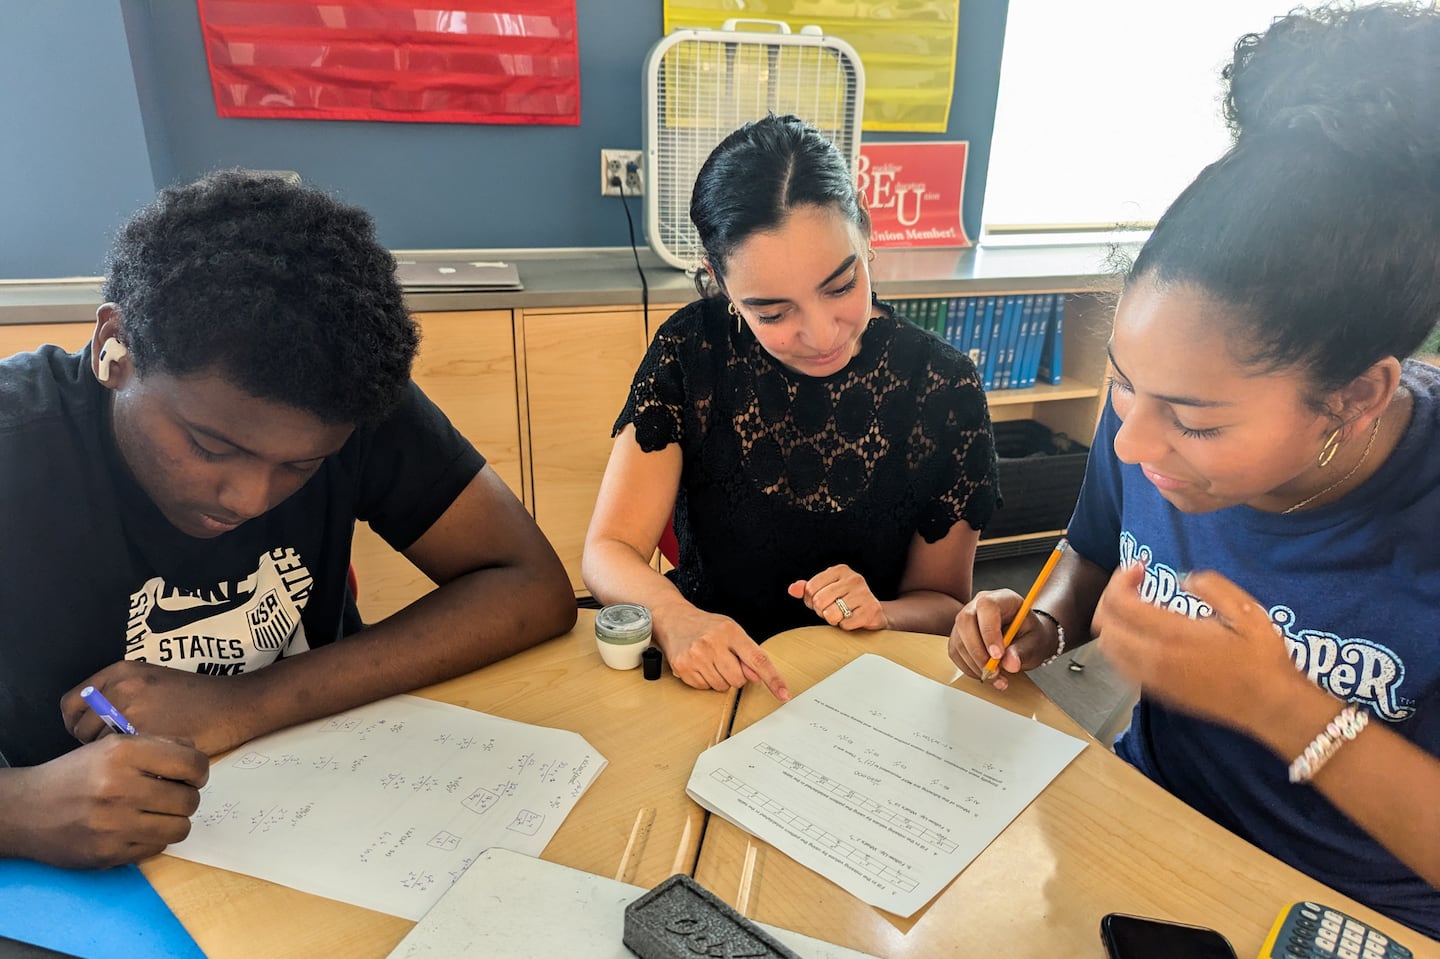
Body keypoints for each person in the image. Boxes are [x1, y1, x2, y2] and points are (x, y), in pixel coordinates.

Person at [947, 2, 1440, 936]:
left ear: (1357, 397)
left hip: (1344, 915)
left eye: (1197, 422)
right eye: (1127, 385)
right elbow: (1088, 556)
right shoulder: (1149, 417)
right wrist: (1040, 625)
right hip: (1144, 834)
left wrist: (1280, 703)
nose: (1136, 443)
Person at [0, 171, 576, 868]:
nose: (247, 498)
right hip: (78, 873)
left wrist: (242, 702)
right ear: (113, 347)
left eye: (300, 467)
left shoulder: (342, 391)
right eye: (211, 446)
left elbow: (530, 584)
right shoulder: (18, 444)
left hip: (324, 816)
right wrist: (19, 808)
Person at [584, 114, 999, 702]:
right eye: (774, 314)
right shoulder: (692, 350)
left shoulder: (941, 386)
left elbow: (945, 604)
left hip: (863, 690)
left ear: (866, 234)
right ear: (720, 284)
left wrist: (881, 612)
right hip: (708, 675)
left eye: (840, 287)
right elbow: (608, 549)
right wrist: (674, 617)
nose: (823, 334)